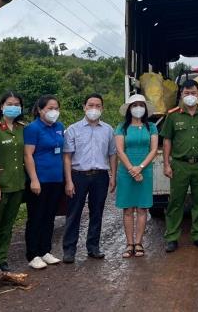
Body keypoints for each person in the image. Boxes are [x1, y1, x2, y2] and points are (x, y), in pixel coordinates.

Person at [161, 79, 198, 252]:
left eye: (193, 93)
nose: (190, 96)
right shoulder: (173, 115)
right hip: (180, 165)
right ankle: (172, 237)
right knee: (176, 202)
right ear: (181, 94)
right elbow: (167, 140)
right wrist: (166, 164)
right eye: (187, 93)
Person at [61, 93, 117, 263]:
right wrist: (68, 181)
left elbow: (113, 154)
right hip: (78, 176)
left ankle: (93, 247)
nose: (94, 109)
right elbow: (67, 157)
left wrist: (113, 176)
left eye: (98, 106)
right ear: (84, 107)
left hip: (100, 176)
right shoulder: (73, 129)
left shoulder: (108, 130)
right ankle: (69, 250)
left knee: (97, 213)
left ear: (102, 108)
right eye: (90, 105)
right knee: (73, 213)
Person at [0, 91, 27, 272]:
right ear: (2, 106)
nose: (13, 107)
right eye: (9, 103)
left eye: (17, 104)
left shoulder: (22, 128)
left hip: (17, 184)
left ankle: (2, 258)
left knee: (8, 225)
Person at [23, 95, 65, 270]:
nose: (53, 112)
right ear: (40, 110)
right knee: (36, 217)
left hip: (56, 179)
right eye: (49, 108)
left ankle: (45, 250)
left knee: (49, 217)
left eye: (56, 108)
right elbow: (28, 155)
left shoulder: (60, 127)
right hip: (39, 180)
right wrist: (34, 179)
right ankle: (33, 254)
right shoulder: (32, 128)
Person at [115, 94, 158, 258]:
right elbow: (120, 150)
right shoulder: (121, 127)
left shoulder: (151, 127)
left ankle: (139, 243)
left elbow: (153, 150)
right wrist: (132, 169)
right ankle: (129, 244)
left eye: (141, 105)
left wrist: (139, 168)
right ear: (129, 109)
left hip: (144, 170)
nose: (138, 108)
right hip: (126, 171)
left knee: (142, 208)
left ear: (145, 108)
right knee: (127, 209)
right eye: (134, 105)